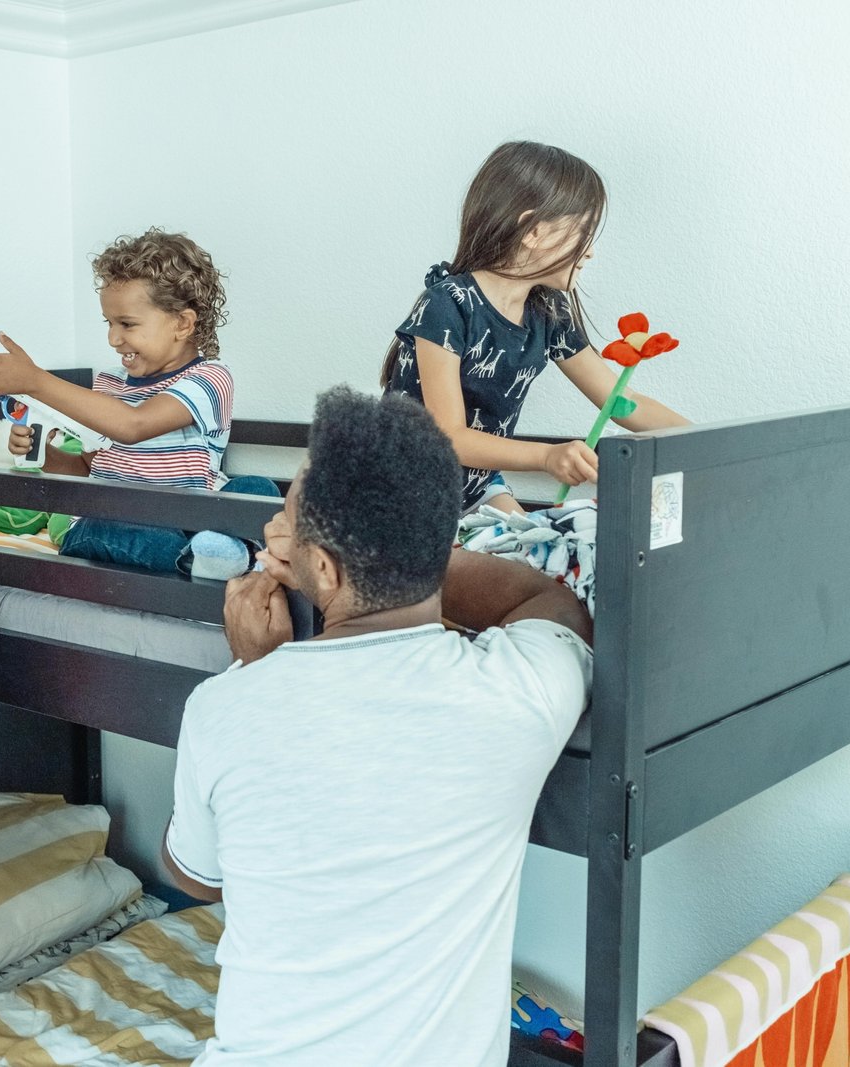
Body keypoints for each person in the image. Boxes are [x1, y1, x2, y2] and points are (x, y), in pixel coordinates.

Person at [162, 387, 593, 1067]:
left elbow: (198, 875)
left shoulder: (225, 707)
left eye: (289, 519)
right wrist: (405, 555)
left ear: (325, 568)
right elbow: (551, 598)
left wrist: (254, 667)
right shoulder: (520, 691)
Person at [382, 140, 688, 514]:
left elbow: (621, 402)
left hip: (477, 490)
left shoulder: (548, 312)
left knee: (538, 558)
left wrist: (710, 443)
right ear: (534, 232)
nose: (590, 250)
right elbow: (451, 438)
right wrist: (546, 457)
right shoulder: (448, 305)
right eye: (584, 231)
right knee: (509, 568)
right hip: (400, 496)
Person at [0, 228, 278, 579]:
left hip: (189, 518)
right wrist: (47, 457)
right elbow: (89, 466)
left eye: (127, 324)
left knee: (259, 490)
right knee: (109, 530)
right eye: (109, 323)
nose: (113, 338)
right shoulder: (108, 384)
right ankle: (205, 560)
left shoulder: (211, 379)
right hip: (115, 520)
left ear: (182, 324)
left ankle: (219, 552)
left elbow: (134, 426)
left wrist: (36, 381)